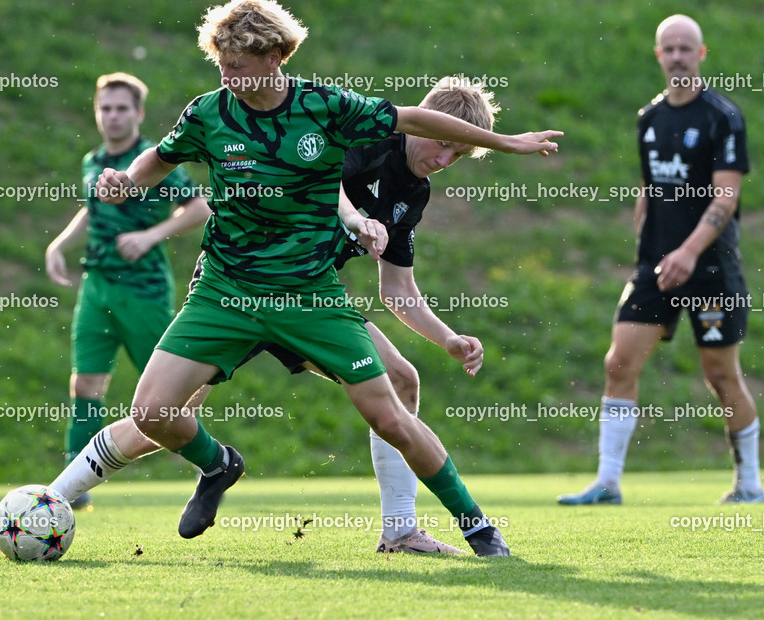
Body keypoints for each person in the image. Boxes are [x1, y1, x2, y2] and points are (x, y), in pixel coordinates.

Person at [91, 0, 560, 557]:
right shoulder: (208, 112)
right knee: (152, 413)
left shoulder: (325, 106)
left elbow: (413, 118)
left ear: (274, 57)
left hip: (309, 295)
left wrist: (505, 143)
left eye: (237, 66)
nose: (227, 77)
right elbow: (163, 158)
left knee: (391, 414)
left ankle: (476, 527)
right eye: (222, 66)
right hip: (226, 290)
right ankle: (216, 465)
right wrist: (128, 181)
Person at [51, 76, 500, 556]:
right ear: (423, 120)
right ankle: (55, 496)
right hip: (239, 287)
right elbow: (318, 178)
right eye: (443, 143)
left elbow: (397, 288)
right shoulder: (363, 138)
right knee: (164, 414)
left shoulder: (413, 191)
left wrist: (448, 338)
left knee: (401, 379)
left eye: (458, 155)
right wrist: (352, 217)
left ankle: (400, 532)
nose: (444, 159)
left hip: (307, 301)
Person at [558, 14, 760, 506]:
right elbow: (649, 188)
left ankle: (750, 483)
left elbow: (726, 196)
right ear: (657, 55)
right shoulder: (649, 118)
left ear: (701, 54)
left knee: (720, 374)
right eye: (668, 49)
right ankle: (607, 483)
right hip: (657, 267)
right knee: (618, 362)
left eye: (685, 48)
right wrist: (645, 248)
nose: (677, 57)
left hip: (710, 269)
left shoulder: (722, 117)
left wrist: (689, 252)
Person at [44, 72, 211, 507]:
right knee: (85, 383)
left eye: (121, 108)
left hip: (143, 290)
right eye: (105, 108)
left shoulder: (153, 160)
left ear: (138, 113)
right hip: (97, 287)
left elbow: (199, 207)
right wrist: (59, 244)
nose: (113, 116)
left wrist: (150, 236)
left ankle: (208, 461)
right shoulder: (94, 160)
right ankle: (72, 487)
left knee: (172, 391)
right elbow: (92, 211)